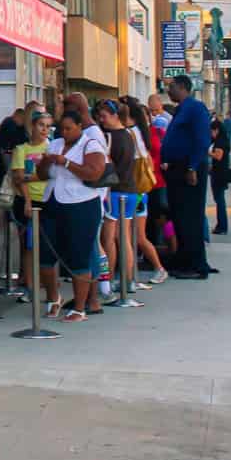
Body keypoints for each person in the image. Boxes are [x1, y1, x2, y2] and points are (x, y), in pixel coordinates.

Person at [36, 108, 109, 322]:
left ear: (79, 127)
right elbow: (41, 174)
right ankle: (53, 298)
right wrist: (47, 161)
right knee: (46, 256)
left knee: (79, 257)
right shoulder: (55, 144)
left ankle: (79, 307)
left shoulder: (91, 145)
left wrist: (66, 162)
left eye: (69, 128)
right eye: (62, 128)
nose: (64, 132)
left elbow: (94, 172)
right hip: (54, 201)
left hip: (82, 204)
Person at [159, 74, 214, 278]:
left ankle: (194, 265)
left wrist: (192, 167)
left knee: (189, 217)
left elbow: (202, 140)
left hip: (188, 169)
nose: (168, 91)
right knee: (179, 216)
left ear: (182, 87)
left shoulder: (195, 108)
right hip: (176, 169)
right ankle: (184, 260)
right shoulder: (181, 109)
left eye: (171, 87)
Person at [95, 100, 143, 309]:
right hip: (131, 190)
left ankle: (110, 281)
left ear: (114, 115)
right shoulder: (130, 134)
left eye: (104, 116)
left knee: (109, 239)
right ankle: (128, 280)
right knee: (124, 238)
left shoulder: (108, 137)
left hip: (114, 191)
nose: (101, 120)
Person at [5, 109, 53, 304]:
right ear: (32, 126)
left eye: (48, 126)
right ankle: (29, 285)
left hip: (47, 198)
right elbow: (18, 177)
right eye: (41, 125)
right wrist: (26, 199)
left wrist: (31, 175)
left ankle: (50, 285)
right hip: (27, 200)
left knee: (48, 244)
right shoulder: (21, 149)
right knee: (28, 245)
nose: (45, 130)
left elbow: (50, 174)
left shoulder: (51, 147)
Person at [123, 99, 168, 284]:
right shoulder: (139, 134)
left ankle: (157, 268)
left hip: (136, 190)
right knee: (135, 237)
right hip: (141, 191)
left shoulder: (130, 135)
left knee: (136, 237)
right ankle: (132, 276)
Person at [209, 116, 231, 235]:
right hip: (218, 172)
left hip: (219, 174)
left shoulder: (220, 142)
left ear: (217, 130)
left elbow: (218, 156)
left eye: (212, 131)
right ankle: (221, 225)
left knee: (219, 200)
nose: (211, 134)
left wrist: (207, 151)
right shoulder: (222, 140)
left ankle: (222, 226)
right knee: (219, 200)